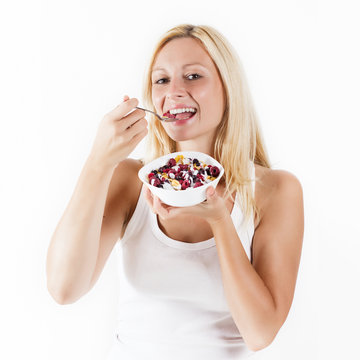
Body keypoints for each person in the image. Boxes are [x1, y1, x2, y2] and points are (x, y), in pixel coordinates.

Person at [46, 24, 304, 359]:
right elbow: (64, 289)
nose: (174, 91)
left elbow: (259, 333)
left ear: (229, 87)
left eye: (194, 76)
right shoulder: (131, 179)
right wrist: (99, 161)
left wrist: (221, 222)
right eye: (162, 80)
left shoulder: (275, 190)